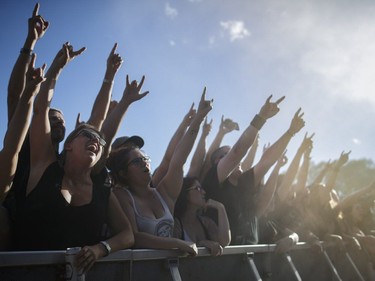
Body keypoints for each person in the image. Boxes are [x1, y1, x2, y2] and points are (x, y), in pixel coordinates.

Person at [108, 89, 212, 255]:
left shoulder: (164, 193)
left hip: (170, 269)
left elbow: (177, 160)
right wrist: (177, 242)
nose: (145, 164)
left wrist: (198, 119)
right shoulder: (121, 195)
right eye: (136, 161)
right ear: (122, 172)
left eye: (145, 158)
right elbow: (135, 237)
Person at [203, 97, 305, 245]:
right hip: (226, 259)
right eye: (224, 155)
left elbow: (266, 162)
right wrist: (261, 118)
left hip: (251, 255)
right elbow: (238, 151)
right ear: (216, 163)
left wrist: (290, 132)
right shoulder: (214, 181)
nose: (234, 159)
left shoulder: (244, 182)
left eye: (229, 154)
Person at [174, 177, 230, 256]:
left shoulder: (206, 222)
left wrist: (221, 208)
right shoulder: (176, 224)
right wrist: (201, 243)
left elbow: (224, 241)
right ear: (185, 193)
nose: (204, 192)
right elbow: (173, 250)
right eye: (198, 188)